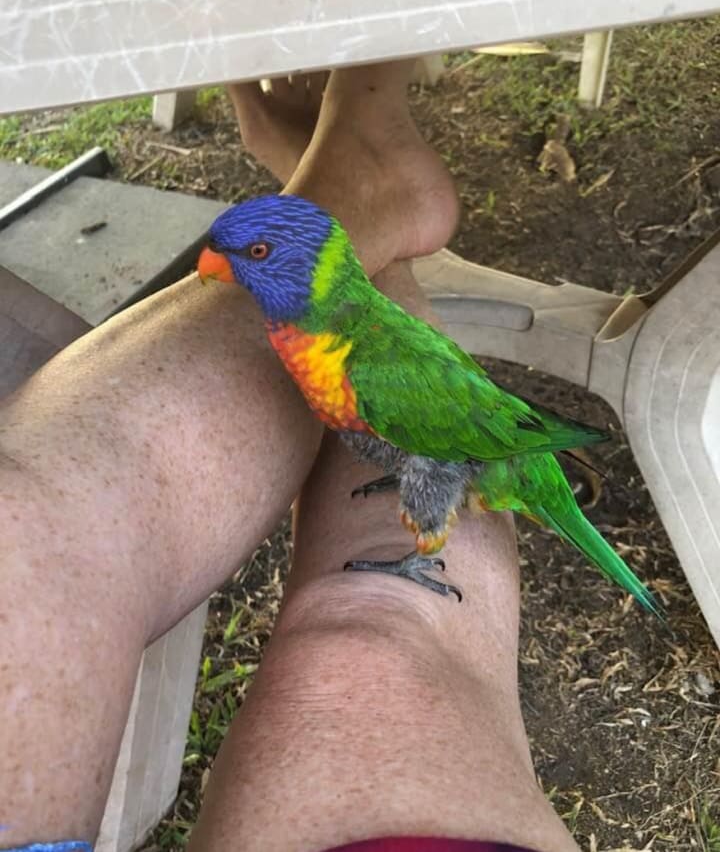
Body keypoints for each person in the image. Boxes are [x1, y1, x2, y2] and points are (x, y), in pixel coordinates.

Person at [0, 62, 580, 852]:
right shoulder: (350, 356)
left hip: (485, 459)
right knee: (371, 636)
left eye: (256, 249)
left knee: (25, 533)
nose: (214, 265)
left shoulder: (366, 368)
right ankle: (356, 186)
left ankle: (361, 186)